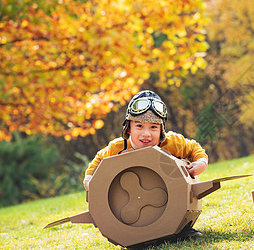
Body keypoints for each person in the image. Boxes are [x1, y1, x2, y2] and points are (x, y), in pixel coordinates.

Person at [83, 90, 208, 239]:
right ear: (129, 128)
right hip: (134, 207)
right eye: (139, 126)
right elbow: (98, 159)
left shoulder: (171, 142)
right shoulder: (118, 147)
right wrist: (90, 179)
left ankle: (182, 229)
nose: (146, 134)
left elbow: (194, 148)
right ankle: (133, 235)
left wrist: (200, 163)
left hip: (169, 197)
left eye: (153, 127)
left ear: (161, 129)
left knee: (179, 200)